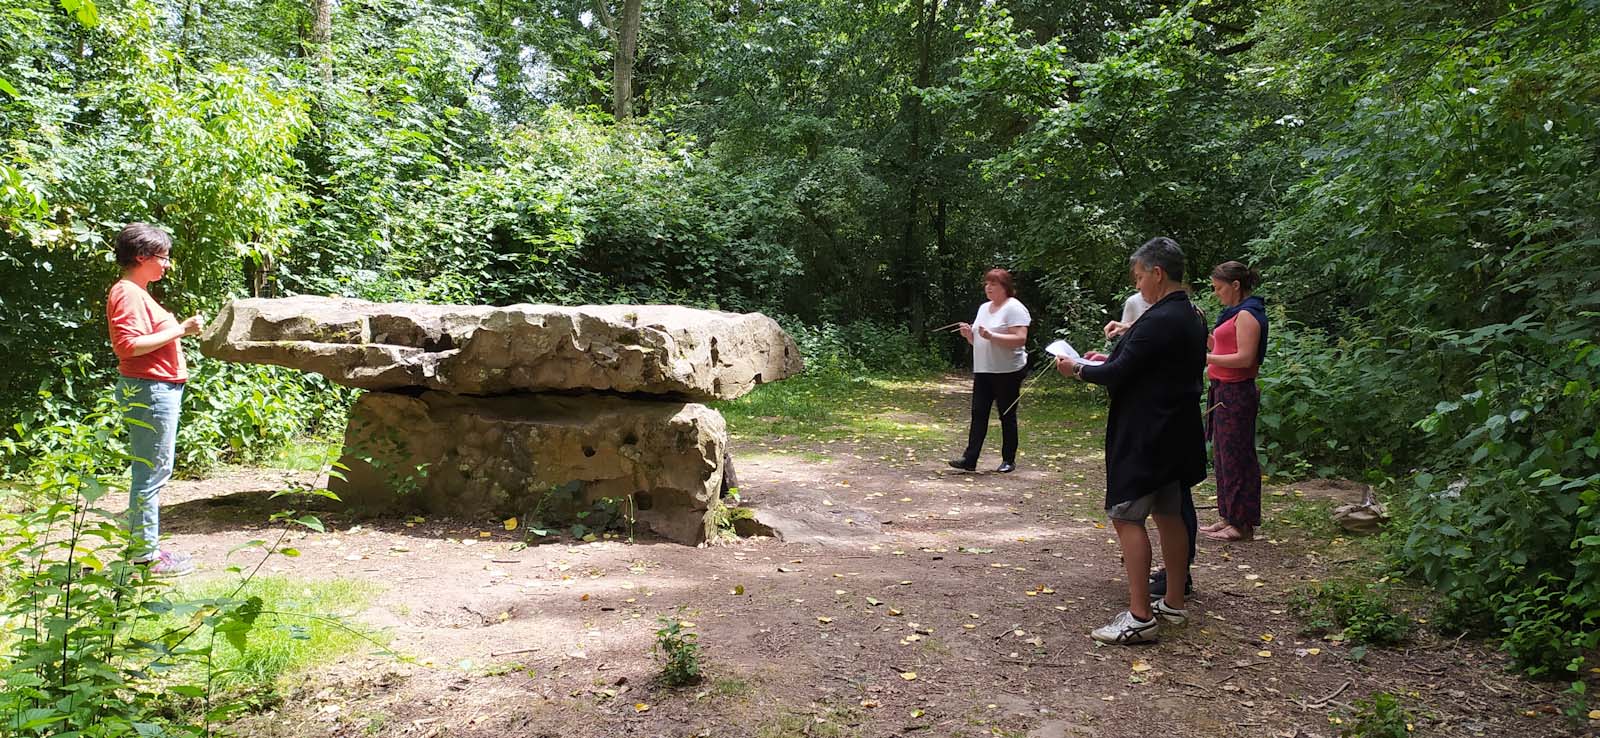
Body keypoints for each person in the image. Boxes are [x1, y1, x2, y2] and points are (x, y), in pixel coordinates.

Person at [1057, 237, 1206, 644]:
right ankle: (1173, 602)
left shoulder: (1159, 318)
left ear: (1157, 274)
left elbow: (1120, 374)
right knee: (1169, 514)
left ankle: (1140, 616)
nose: (1138, 285)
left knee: (1127, 516)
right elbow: (1145, 365)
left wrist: (1079, 369)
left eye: (1140, 277)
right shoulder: (1192, 314)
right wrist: (1108, 360)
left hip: (1147, 433)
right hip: (1177, 429)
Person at [107, 223, 205, 577]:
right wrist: (182, 329)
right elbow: (128, 346)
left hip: (156, 389)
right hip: (150, 390)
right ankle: (145, 558)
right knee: (150, 474)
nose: (166, 265)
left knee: (153, 471)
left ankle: (143, 551)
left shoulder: (137, 291)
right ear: (141, 257)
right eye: (163, 258)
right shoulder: (128, 293)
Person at [1202, 261, 1268, 542]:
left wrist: (1206, 359)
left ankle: (1242, 523)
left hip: (1237, 392)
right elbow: (1219, 346)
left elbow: (1245, 358)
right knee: (1222, 455)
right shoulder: (1232, 315)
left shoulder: (1248, 315)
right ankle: (1228, 514)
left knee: (1237, 456)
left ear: (1236, 285)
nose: (1217, 294)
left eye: (1219, 288)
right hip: (1222, 390)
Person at [948, 268, 1031, 474]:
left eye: (993, 284)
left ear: (1004, 287)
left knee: (1006, 414)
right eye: (986, 284)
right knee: (978, 413)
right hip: (984, 370)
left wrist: (992, 336)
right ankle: (970, 458)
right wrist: (969, 335)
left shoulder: (1014, 308)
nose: (988, 288)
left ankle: (1008, 460)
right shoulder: (984, 308)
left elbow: (1020, 338)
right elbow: (978, 341)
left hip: (1008, 371)